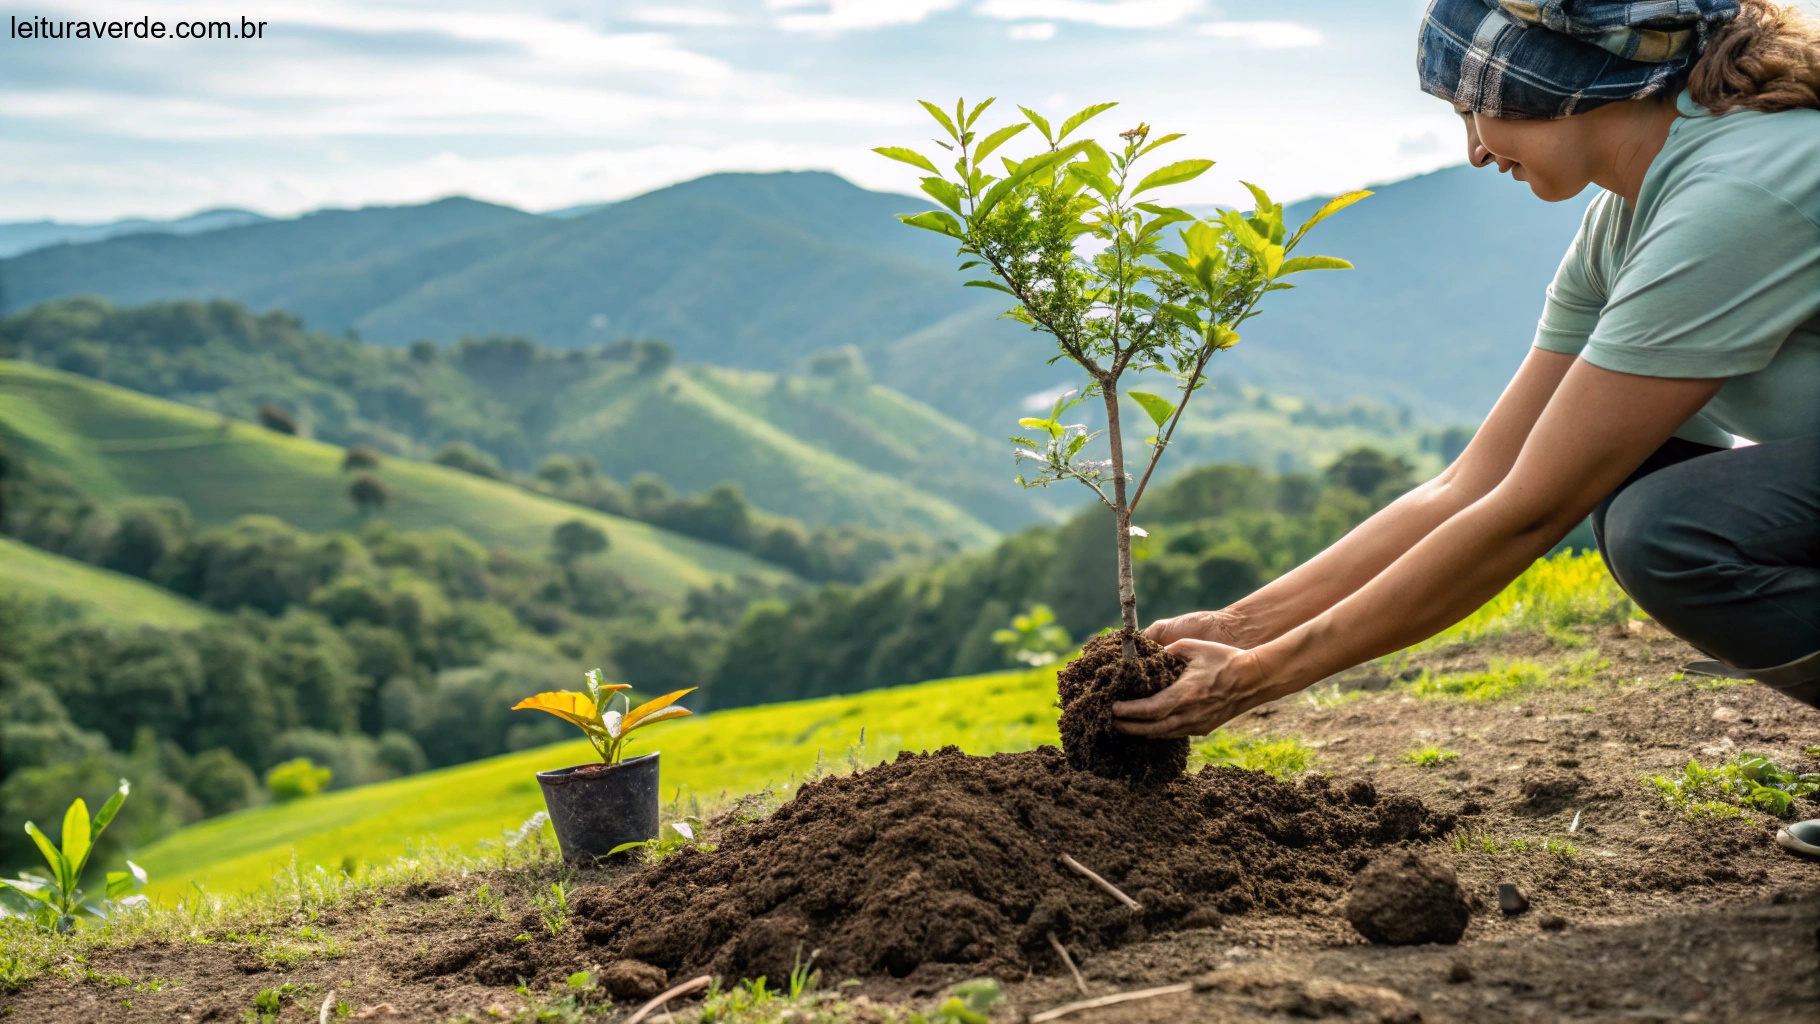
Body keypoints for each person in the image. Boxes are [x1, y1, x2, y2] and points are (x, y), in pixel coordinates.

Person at [1113, 0, 1820, 858]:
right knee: (1635, 480)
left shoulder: (1739, 194)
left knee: (1668, 529)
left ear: (1568, 87)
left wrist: (1259, 680)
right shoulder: (1632, 217)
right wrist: (1239, 627)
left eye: (1475, 110)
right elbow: (1478, 480)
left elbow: (1526, 512)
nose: (1475, 150)